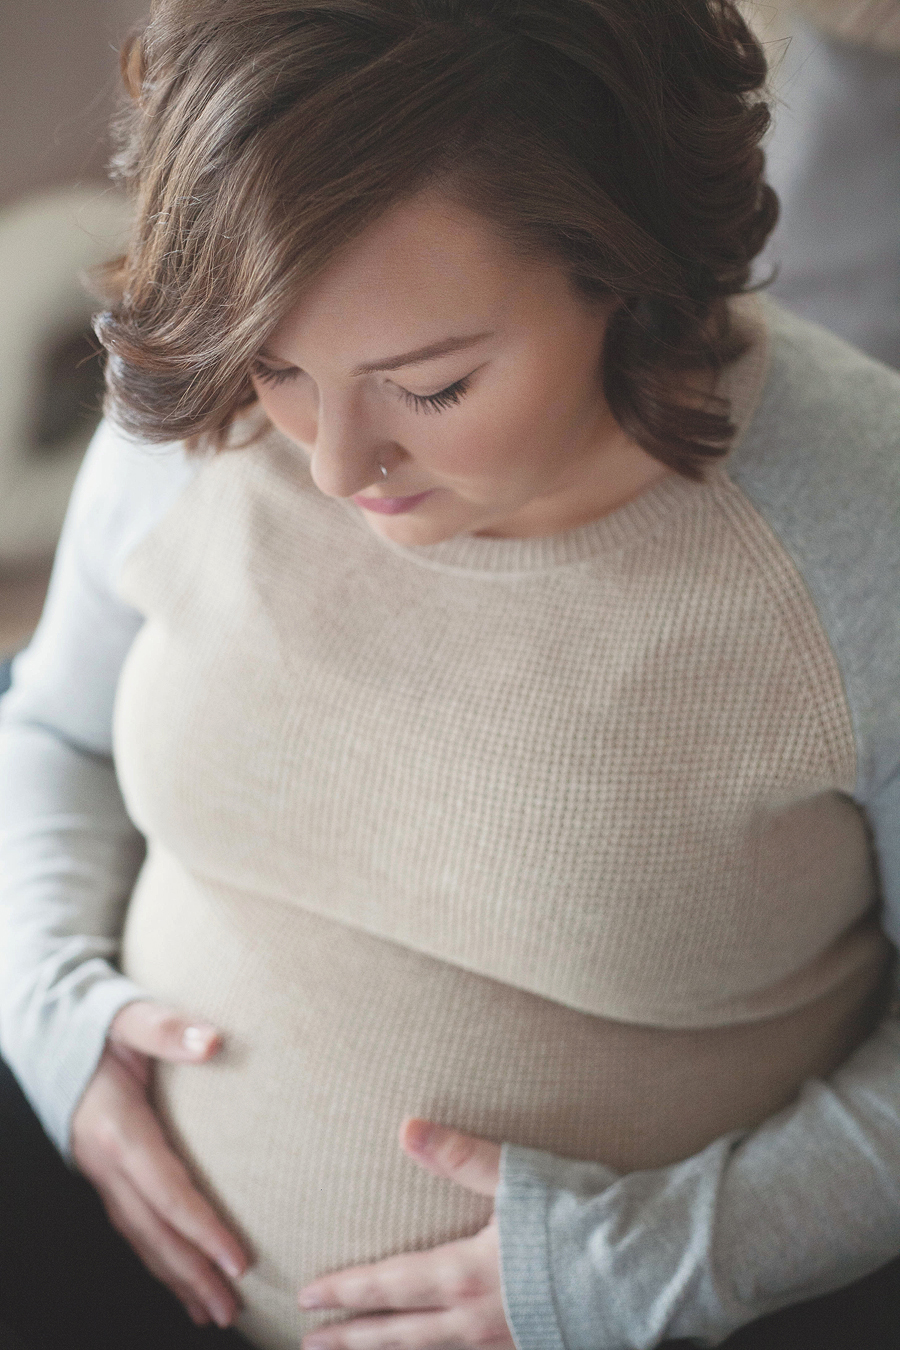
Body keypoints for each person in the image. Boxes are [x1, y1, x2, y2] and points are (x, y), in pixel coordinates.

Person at [1, 2, 900, 1348]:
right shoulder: (209, 371)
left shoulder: (856, 527)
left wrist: (659, 1260)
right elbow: (52, 729)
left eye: (431, 386)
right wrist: (50, 1017)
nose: (330, 464)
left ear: (628, 271)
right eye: (287, 368)